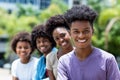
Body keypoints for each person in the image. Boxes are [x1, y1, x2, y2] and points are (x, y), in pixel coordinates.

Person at [57, 5, 120, 80]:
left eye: (85, 31)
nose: (81, 36)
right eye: (76, 31)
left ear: (92, 31)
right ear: (70, 33)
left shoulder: (108, 60)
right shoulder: (64, 62)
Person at [45, 15, 74, 80]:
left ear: (70, 33)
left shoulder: (81, 53)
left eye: (63, 35)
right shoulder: (50, 57)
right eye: (57, 38)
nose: (61, 40)